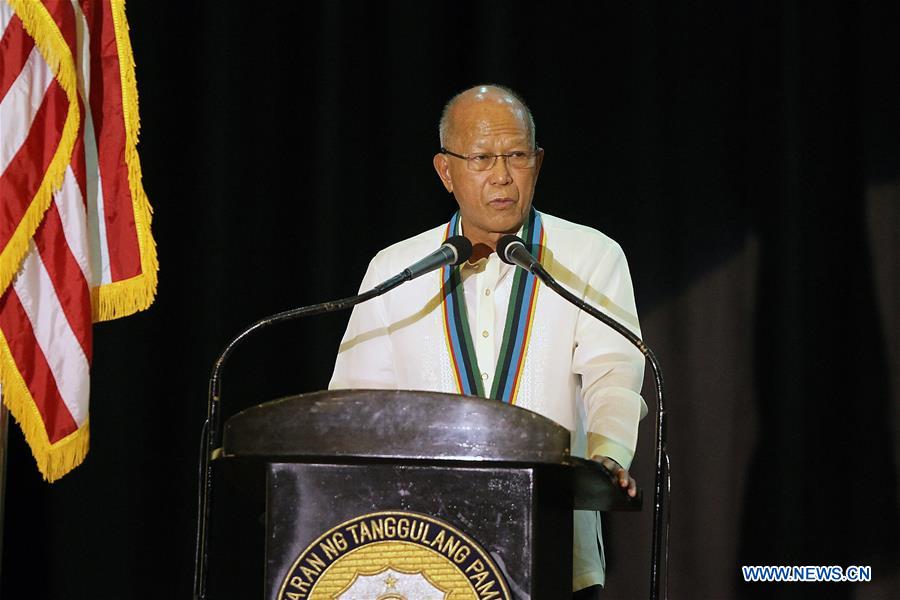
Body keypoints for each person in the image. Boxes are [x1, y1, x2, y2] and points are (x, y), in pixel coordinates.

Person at [329, 84, 647, 598]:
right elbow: (355, 411)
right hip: (421, 556)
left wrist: (608, 455)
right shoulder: (395, 269)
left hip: (553, 552)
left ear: (537, 162)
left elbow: (615, 373)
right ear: (445, 171)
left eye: (516, 155)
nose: (502, 175)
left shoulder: (589, 256)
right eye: (481, 158)